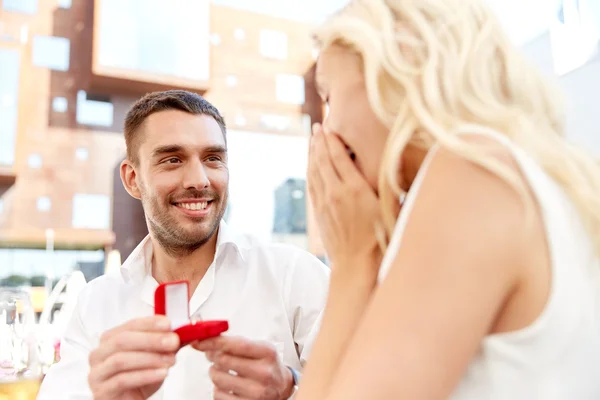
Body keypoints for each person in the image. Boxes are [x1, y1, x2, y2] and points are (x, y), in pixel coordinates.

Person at [267, 0, 599, 399]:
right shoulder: (512, 173)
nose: (327, 130)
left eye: (330, 96)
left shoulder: (471, 172)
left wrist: (353, 265)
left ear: (396, 68)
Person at [38, 90, 329, 400]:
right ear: (133, 179)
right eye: (173, 160)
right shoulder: (95, 305)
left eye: (213, 158)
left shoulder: (295, 277)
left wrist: (291, 388)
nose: (199, 179)